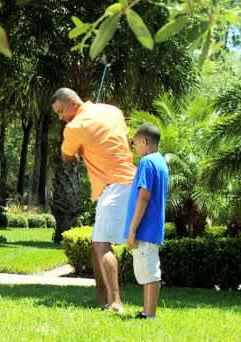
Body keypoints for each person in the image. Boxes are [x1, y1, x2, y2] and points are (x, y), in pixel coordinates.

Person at [52, 88, 136, 313]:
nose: (61, 118)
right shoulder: (112, 110)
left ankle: (115, 302)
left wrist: (79, 146)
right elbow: (124, 141)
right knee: (97, 243)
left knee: (101, 244)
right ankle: (101, 298)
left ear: (72, 104)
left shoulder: (74, 127)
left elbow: (67, 158)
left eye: (60, 112)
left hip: (114, 187)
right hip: (131, 183)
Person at [125, 122, 169, 320]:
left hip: (145, 228)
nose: (135, 149)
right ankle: (146, 310)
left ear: (144, 141)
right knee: (147, 269)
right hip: (154, 228)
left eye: (135, 144)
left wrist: (132, 229)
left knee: (149, 271)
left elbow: (144, 196)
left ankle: (149, 313)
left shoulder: (146, 162)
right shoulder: (160, 162)